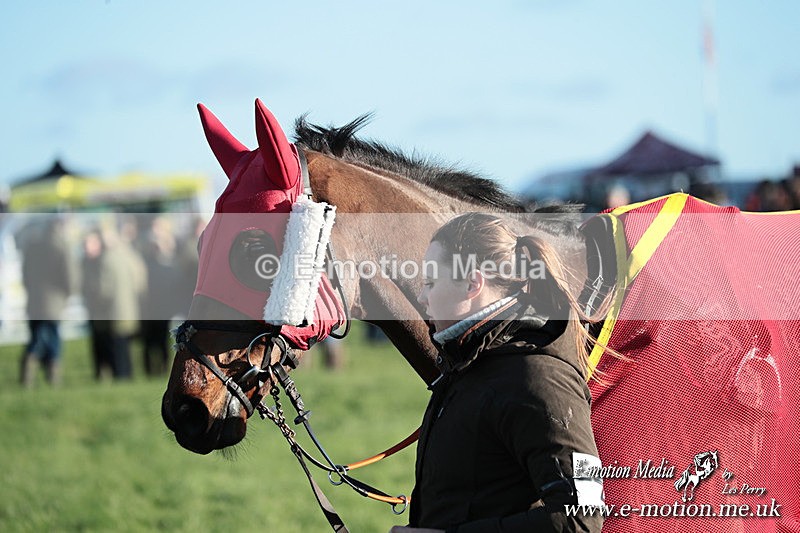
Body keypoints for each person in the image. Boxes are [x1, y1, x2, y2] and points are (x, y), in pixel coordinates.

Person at [392, 213, 607, 533]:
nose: (422, 297)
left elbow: (584, 517)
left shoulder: (541, 378)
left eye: (431, 283)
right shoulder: (466, 363)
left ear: (472, 284)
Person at [19, 217, 77, 387]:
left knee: (38, 334)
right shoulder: (61, 248)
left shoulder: (32, 246)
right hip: (54, 301)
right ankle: (51, 377)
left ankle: (29, 373)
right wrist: (68, 293)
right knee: (50, 338)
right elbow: (70, 276)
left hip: (35, 300)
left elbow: (25, 274)